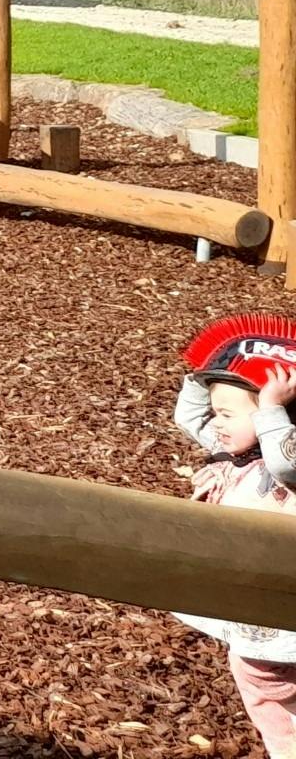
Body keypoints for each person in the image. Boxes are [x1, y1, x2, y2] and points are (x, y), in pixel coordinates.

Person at [173, 316, 296, 757]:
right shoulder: (236, 453)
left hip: (281, 604)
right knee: (258, 687)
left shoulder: (285, 457)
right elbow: (187, 417)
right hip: (254, 601)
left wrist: (270, 408)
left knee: (265, 679)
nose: (215, 423)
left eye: (226, 413)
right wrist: (201, 374)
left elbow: (285, 463)